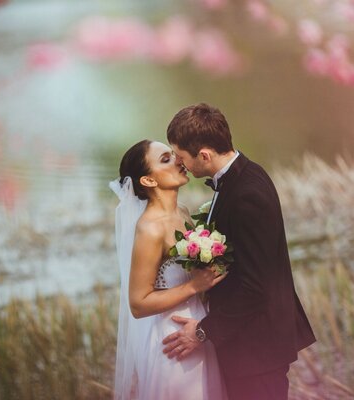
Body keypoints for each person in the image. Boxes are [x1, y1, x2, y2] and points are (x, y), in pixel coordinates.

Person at [162, 103, 316, 400]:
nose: (181, 165)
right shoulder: (245, 175)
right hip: (250, 342)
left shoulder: (247, 195)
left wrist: (203, 331)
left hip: (257, 346)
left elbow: (256, 287)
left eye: (181, 157)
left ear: (204, 155)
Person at [109, 139, 227, 400]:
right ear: (149, 181)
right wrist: (194, 286)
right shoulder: (149, 228)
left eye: (173, 155)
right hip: (173, 341)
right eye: (165, 159)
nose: (178, 160)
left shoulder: (183, 212)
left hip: (198, 327)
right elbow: (138, 304)